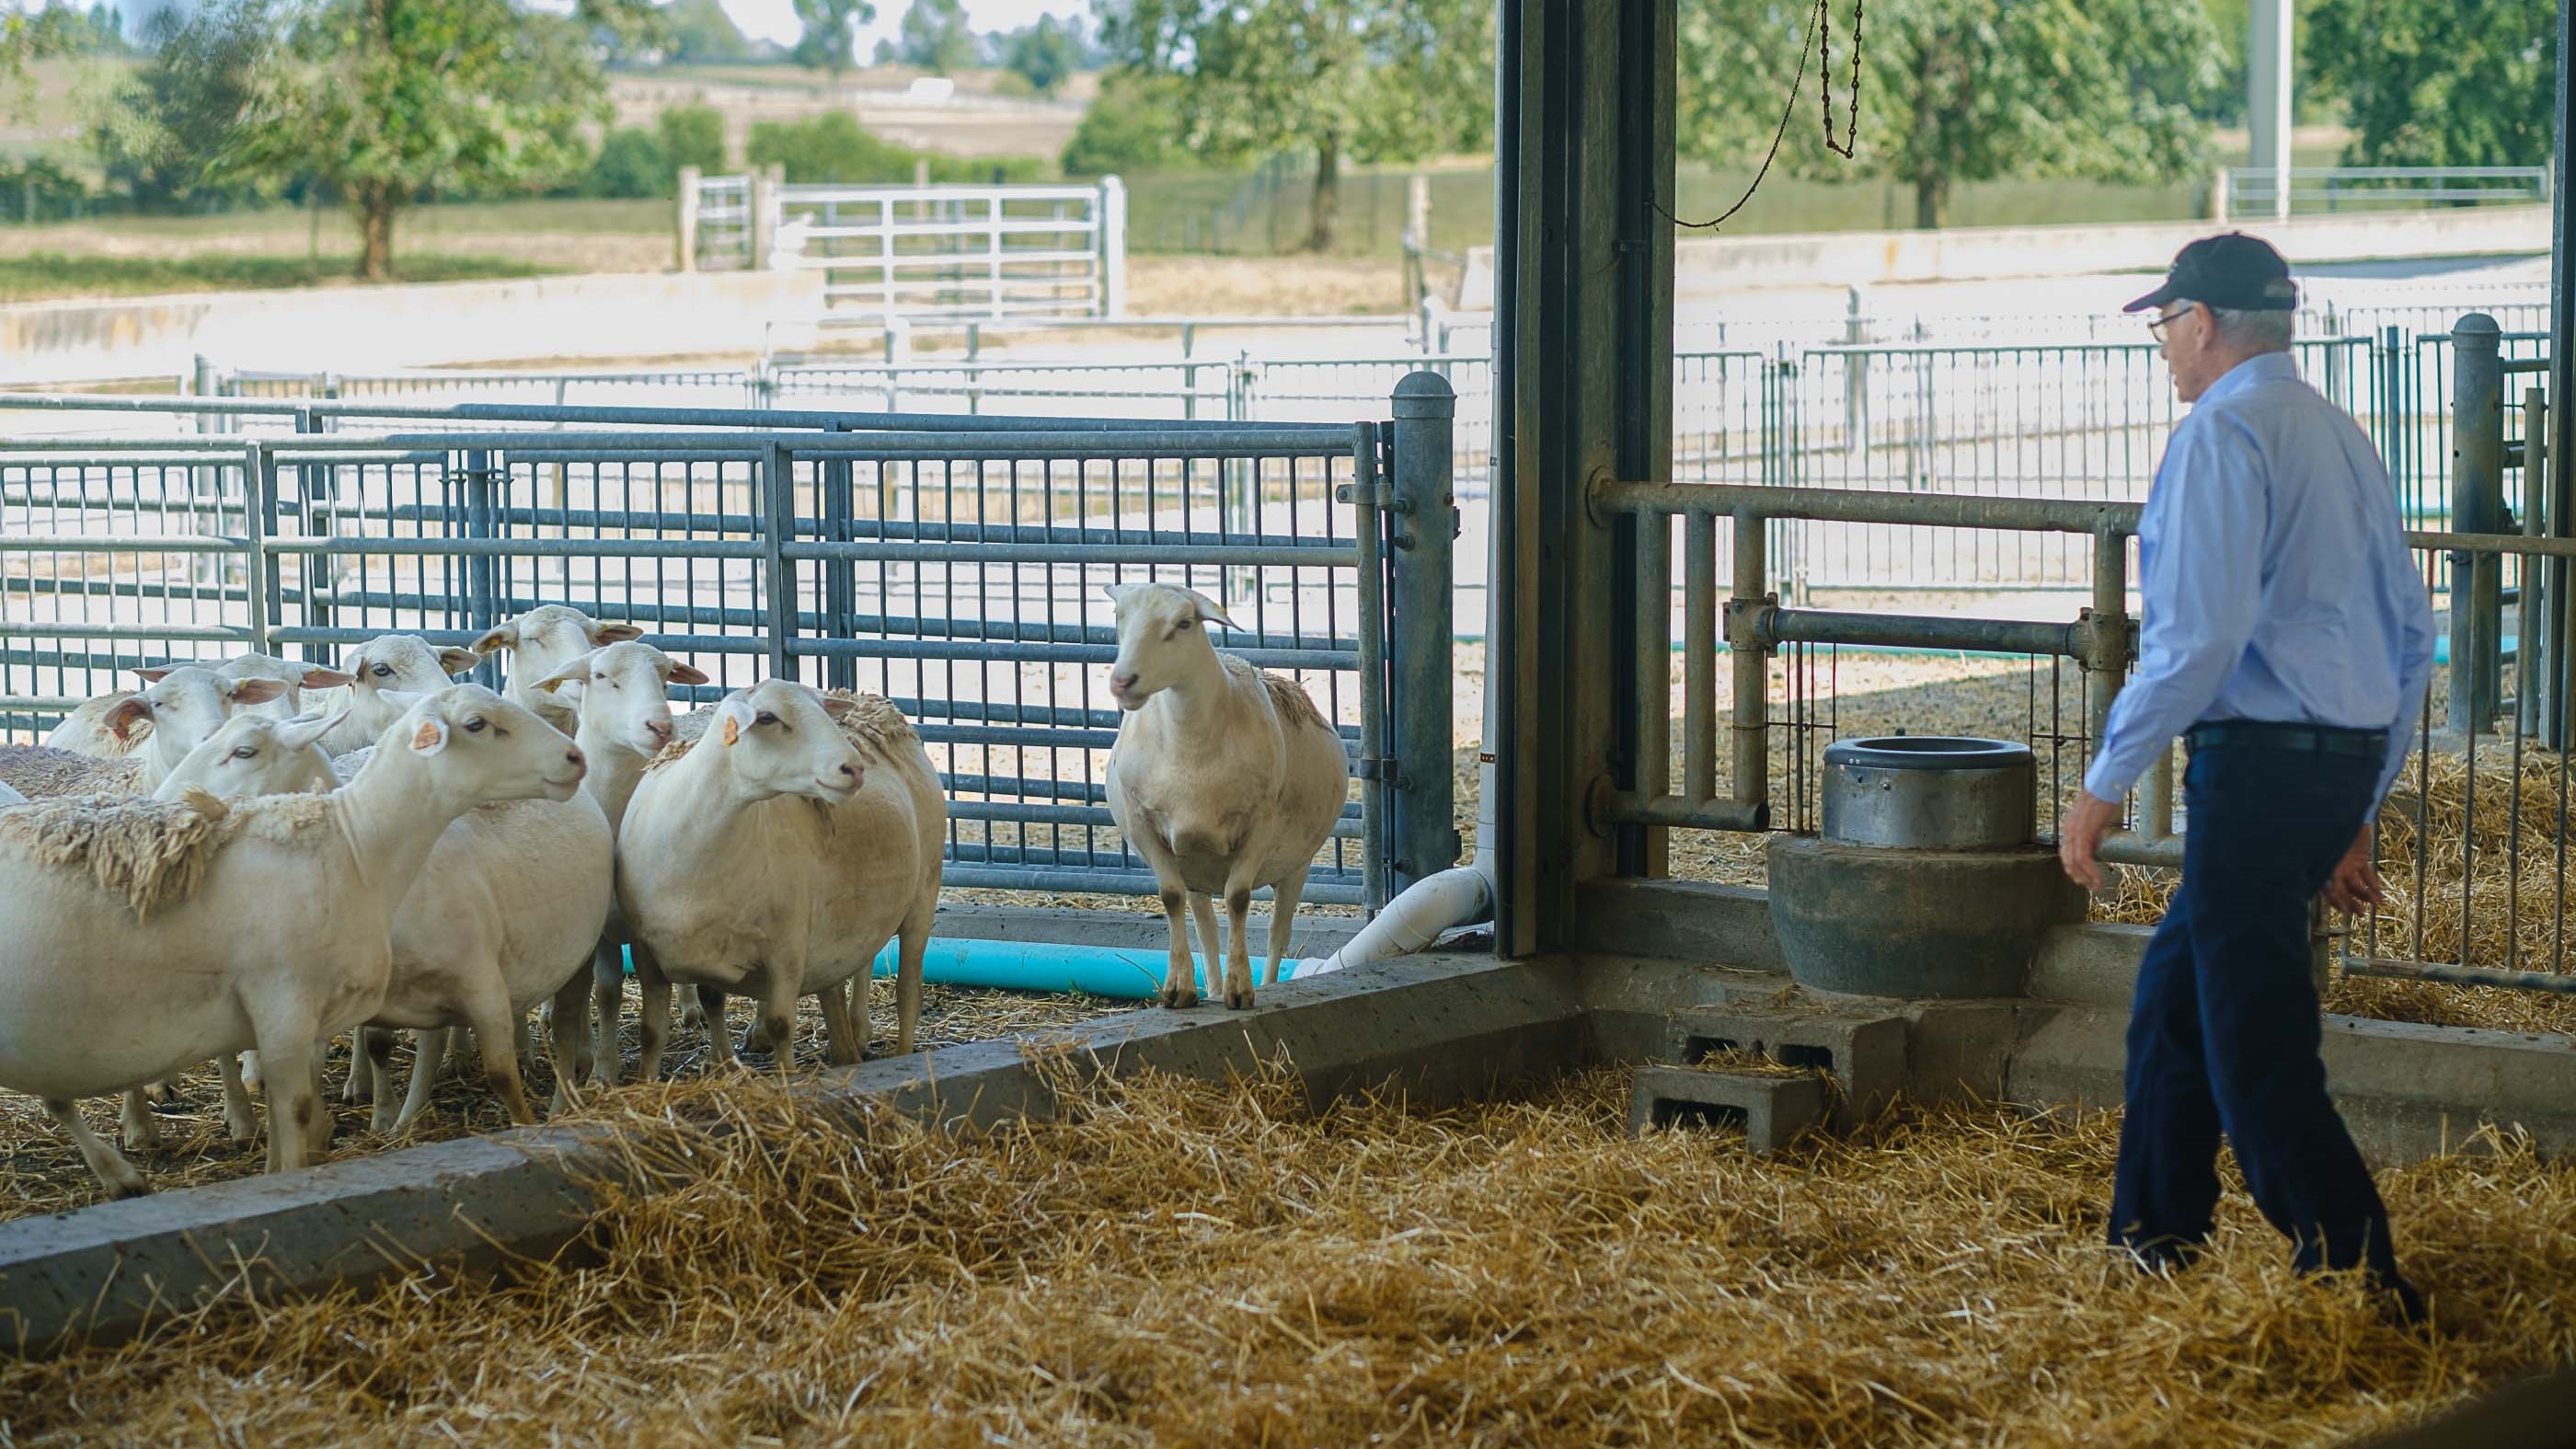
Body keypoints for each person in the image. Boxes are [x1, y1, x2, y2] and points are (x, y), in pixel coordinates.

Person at [2057, 233, 2438, 1321]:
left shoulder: (2220, 435)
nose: (2164, 348)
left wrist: (2104, 780)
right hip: (2329, 765)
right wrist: (2357, 808)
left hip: (2258, 769)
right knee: (2175, 1003)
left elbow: (2197, 639)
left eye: (2164, 325)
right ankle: (2152, 1238)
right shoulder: (2339, 436)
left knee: (2249, 1025)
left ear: (2206, 321)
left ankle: (2354, 1271)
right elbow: (2411, 638)